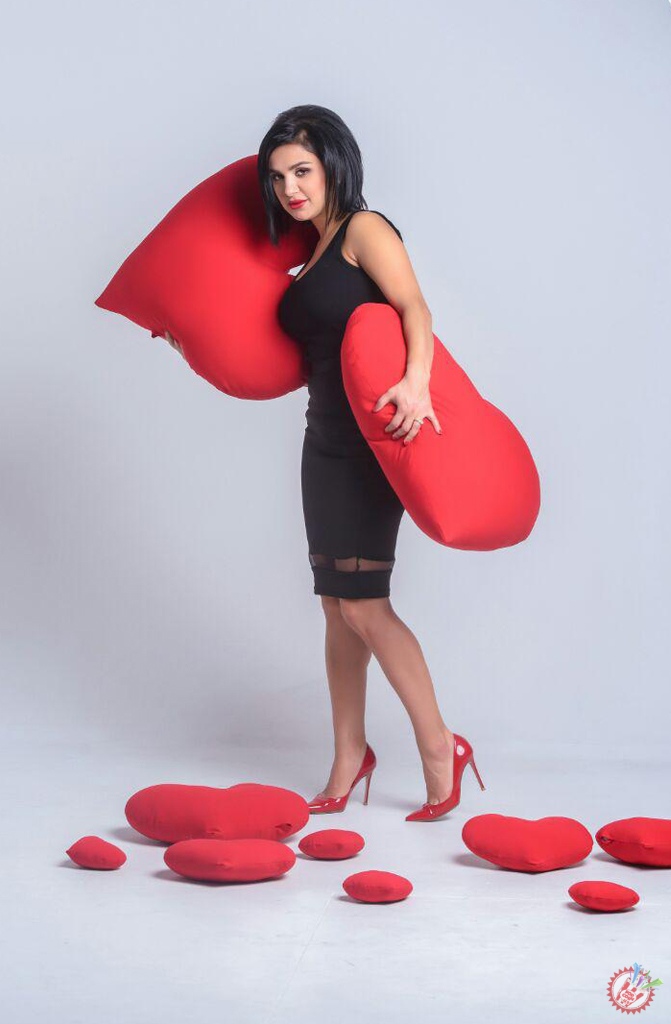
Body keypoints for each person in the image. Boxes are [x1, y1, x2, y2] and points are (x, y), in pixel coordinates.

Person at [168, 105, 484, 821]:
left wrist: (417, 382)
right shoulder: (307, 256)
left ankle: (441, 747)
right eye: (277, 177)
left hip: (375, 439)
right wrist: (196, 348)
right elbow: (288, 361)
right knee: (335, 608)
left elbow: (415, 309)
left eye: (302, 171)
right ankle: (349, 755)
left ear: (334, 164)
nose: (289, 189)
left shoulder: (364, 230)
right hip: (323, 443)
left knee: (365, 605)